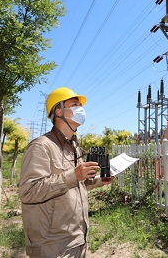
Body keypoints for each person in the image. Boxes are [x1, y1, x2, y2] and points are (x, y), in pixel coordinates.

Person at [19, 87, 112, 258]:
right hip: (53, 246)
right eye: (75, 104)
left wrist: (100, 181)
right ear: (59, 111)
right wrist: (73, 175)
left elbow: (76, 184)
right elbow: (28, 191)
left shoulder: (73, 147)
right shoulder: (41, 146)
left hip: (77, 240)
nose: (81, 109)